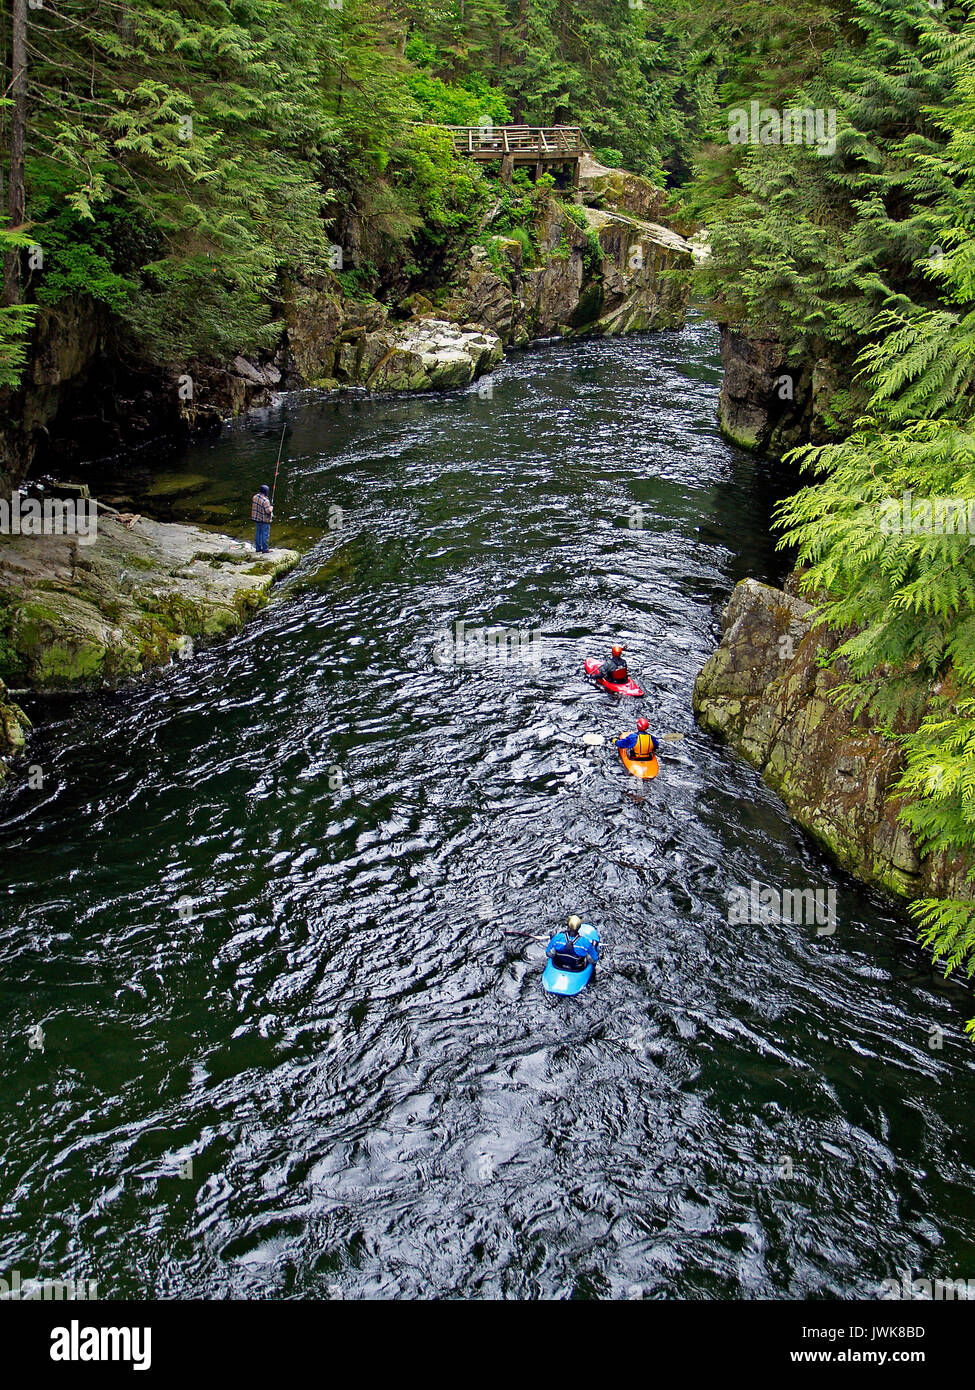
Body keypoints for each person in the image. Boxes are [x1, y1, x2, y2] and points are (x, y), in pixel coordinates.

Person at [251, 484, 273, 554]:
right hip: (264, 520)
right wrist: (271, 508)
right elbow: (268, 511)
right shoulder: (265, 501)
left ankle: (258, 548)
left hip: (256, 518)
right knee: (265, 534)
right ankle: (265, 549)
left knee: (258, 533)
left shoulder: (255, 497)